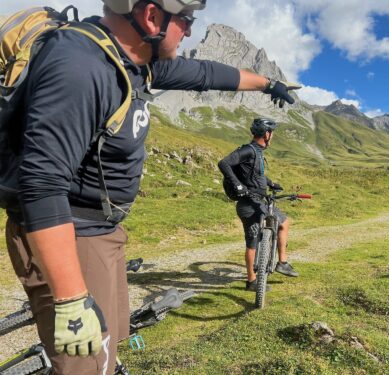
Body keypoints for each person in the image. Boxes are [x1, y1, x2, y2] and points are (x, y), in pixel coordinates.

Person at [4, 1, 298, 374]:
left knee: (110, 349)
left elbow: (206, 73)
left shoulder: (133, 63)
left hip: (102, 231)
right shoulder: (81, 66)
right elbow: (42, 185)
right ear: (151, 16)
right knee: (83, 365)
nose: (190, 32)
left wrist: (268, 84)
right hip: (69, 234)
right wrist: (71, 300)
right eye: (186, 21)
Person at [218, 118, 299, 292]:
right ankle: (280, 264)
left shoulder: (257, 152)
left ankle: (253, 280)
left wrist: (270, 183)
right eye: (272, 133)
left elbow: (253, 174)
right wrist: (238, 185)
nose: (273, 137)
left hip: (256, 201)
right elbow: (224, 163)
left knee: (277, 226)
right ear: (267, 134)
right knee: (256, 240)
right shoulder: (248, 150)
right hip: (249, 202)